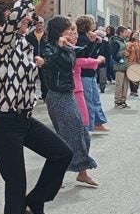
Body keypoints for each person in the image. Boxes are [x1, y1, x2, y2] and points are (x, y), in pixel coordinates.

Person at [0, 0, 73, 214]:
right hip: (3, 123)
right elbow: (21, 14)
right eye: (21, 18)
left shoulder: (22, 43)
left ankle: (36, 201)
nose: (29, 22)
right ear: (9, 18)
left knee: (62, 153)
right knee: (15, 186)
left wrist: (45, 0)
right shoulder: (1, 40)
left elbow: (28, 16)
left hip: (24, 119)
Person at [42, 16, 99, 187]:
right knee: (67, 137)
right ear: (60, 31)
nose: (72, 32)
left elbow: (83, 52)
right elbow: (48, 64)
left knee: (82, 134)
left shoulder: (69, 48)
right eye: (69, 29)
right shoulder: (51, 48)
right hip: (57, 96)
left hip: (69, 94)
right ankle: (56, 175)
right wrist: (59, 47)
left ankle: (82, 173)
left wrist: (93, 42)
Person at [75, 15, 108, 131]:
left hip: (90, 72)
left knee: (95, 98)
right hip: (84, 73)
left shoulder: (89, 37)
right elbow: (85, 57)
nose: (95, 24)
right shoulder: (82, 38)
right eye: (93, 22)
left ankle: (98, 122)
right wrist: (97, 59)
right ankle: (89, 125)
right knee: (88, 100)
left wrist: (97, 43)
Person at [26, 17, 49, 100]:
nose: (39, 24)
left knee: (44, 79)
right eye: (37, 22)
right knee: (31, 79)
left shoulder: (47, 36)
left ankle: (45, 96)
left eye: (41, 22)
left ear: (43, 24)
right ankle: (30, 97)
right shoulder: (29, 36)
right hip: (32, 60)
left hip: (43, 60)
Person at [111, 26, 131, 109]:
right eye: (125, 32)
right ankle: (117, 101)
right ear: (121, 33)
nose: (127, 33)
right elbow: (113, 55)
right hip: (119, 66)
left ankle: (123, 100)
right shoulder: (115, 42)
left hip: (126, 66)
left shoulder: (124, 41)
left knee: (125, 85)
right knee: (119, 85)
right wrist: (122, 56)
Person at [126, 31, 140, 97]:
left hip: (139, 62)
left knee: (137, 76)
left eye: (137, 35)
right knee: (131, 76)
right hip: (131, 62)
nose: (135, 36)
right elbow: (127, 52)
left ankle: (135, 91)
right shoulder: (129, 43)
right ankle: (132, 90)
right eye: (134, 35)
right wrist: (131, 45)